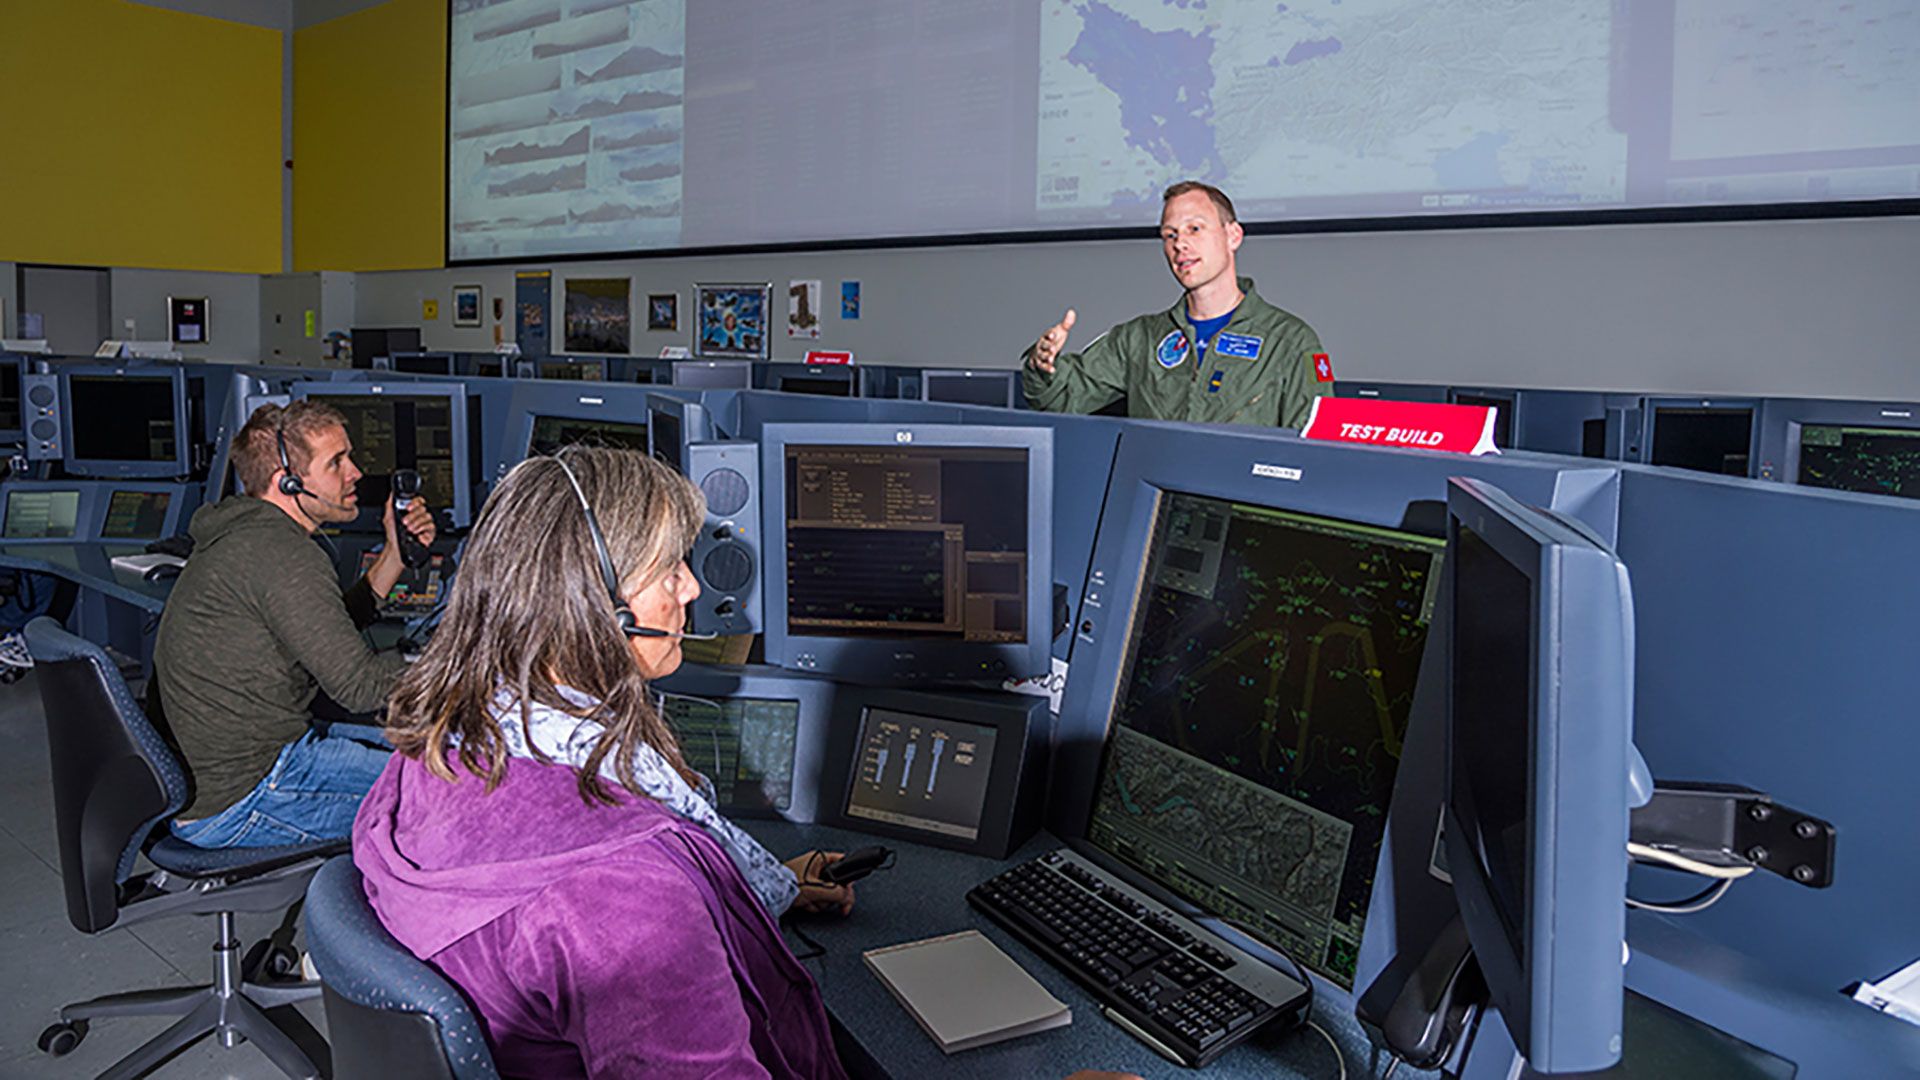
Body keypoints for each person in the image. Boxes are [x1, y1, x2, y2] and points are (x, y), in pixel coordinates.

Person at [354, 449, 1145, 1080]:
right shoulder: (624, 897)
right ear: (593, 605)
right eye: (668, 569)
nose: (692, 587)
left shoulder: (446, 748)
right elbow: (621, 921)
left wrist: (738, 888)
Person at [154, 400, 436, 848]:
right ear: (286, 481)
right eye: (337, 462)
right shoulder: (284, 555)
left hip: (221, 780)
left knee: (432, 754)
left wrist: (394, 557)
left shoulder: (245, 535)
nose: (356, 473)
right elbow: (359, 687)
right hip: (244, 797)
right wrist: (461, 657)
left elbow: (322, 630)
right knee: (451, 793)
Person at [1023, 180, 1334, 428]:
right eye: (1169, 235)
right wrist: (1042, 366)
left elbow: (1313, 452)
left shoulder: (1291, 342)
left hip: (1242, 506)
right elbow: (1060, 399)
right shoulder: (1139, 339)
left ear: (1233, 236)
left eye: (1194, 229)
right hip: (1155, 505)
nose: (1180, 244)